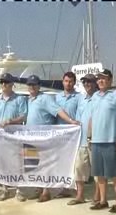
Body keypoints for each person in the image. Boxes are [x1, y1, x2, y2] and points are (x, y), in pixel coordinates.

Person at [24, 74, 79, 202]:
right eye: (30, 85)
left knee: (44, 165)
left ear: (38, 86)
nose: (32, 87)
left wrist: (71, 121)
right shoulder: (28, 99)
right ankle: (38, 189)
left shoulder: (45, 98)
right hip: (30, 138)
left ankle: (46, 191)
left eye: (34, 84)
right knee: (32, 165)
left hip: (43, 139)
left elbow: (58, 111)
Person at [89, 69, 116, 213]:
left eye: (104, 78)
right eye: (98, 78)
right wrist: (90, 136)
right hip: (96, 141)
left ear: (110, 80)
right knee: (99, 173)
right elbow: (92, 117)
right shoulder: (94, 96)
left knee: (114, 174)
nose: (100, 81)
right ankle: (103, 201)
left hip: (111, 141)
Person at [0, 73, 28, 202]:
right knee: (2, 163)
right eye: (2, 82)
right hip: (0, 137)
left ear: (12, 84)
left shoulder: (19, 99)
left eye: (6, 82)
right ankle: (4, 188)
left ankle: (19, 190)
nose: (3, 85)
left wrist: (10, 121)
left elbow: (23, 116)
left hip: (15, 136)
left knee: (17, 163)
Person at [67, 74, 99, 205]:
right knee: (79, 169)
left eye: (90, 81)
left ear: (95, 83)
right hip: (81, 141)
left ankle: (97, 196)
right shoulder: (81, 99)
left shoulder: (99, 98)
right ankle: (79, 195)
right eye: (85, 82)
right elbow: (77, 118)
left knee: (97, 171)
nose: (87, 84)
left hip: (96, 140)